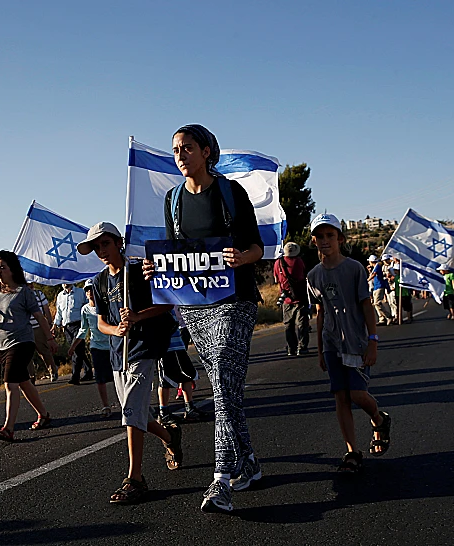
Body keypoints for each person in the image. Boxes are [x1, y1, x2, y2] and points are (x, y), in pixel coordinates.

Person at [143, 124, 264, 513]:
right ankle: (249, 464)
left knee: (224, 385)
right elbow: (175, 255)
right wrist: (154, 268)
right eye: (176, 149)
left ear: (207, 151)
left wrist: (242, 257)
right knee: (227, 388)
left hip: (235, 301)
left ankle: (221, 480)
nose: (181, 155)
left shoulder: (231, 192)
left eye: (188, 147)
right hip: (195, 308)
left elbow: (258, 247)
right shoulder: (173, 200)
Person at [77, 222, 183, 505]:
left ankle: (135, 478)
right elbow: (101, 322)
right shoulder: (99, 282)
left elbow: (167, 304)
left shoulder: (139, 270)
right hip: (118, 352)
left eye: (105, 244)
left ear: (118, 243)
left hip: (144, 348)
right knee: (137, 413)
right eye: (97, 247)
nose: (102, 251)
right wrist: (116, 330)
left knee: (131, 412)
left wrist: (137, 317)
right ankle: (169, 436)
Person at [306, 214, 391, 475]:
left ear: (340, 238)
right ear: (314, 241)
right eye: (320, 236)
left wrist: (373, 341)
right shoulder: (313, 275)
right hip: (331, 343)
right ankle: (352, 451)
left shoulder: (354, 269)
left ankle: (379, 418)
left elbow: (366, 305)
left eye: (330, 235)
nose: (325, 241)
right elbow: (320, 312)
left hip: (356, 342)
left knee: (357, 394)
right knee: (340, 397)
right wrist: (320, 350)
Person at [0, 250, 57, 442]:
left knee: (10, 383)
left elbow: (39, 317)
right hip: (1, 344)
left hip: (21, 342)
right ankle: (44, 415)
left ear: (12, 269)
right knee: (23, 382)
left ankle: (8, 428)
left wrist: (49, 339)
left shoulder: (24, 292)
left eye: (3, 268)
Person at [68, 279, 114, 418]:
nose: (90, 293)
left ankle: (126, 402)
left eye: (92, 289)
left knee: (118, 375)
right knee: (100, 377)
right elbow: (83, 329)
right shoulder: (85, 309)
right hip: (97, 346)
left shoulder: (107, 305)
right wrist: (73, 346)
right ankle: (106, 406)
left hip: (112, 345)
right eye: (87, 290)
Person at [273, 241, 310, 356]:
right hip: (300, 297)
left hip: (286, 298)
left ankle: (291, 348)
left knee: (288, 325)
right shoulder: (299, 261)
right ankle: (302, 347)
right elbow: (303, 276)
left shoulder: (278, 263)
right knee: (302, 324)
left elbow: (276, 280)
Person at [54, 282, 92, 384]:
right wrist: (55, 324)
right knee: (78, 351)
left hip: (79, 325)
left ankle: (75, 376)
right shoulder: (60, 296)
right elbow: (59, 312)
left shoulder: (80, 292)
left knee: (76, 350)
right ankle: (88, 370)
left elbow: (88, 305)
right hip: (67, 327)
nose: (65, 283)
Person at [28, 282, 58, 382]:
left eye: (31, 283)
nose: (30, 285)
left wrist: (49, 323)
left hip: (38, 327)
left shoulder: (38, 294)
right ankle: (31, 377)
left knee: (44, 351)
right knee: (27, 355)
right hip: (25, 329)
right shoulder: (19, 295)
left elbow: (46, 309)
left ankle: (52, 370)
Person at [367, 255, 392, 325]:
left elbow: (374, 274)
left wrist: (367, 280)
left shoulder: (377, 266)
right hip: (376, 286)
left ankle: (388, 316)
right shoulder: (375, 267)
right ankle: (382, 318)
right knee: (376, 304)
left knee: (377, 303)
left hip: (379, 286)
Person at [382, 255, 398, 322]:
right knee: (390, 302)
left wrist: (391, 276)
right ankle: (393, 314)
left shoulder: (392, 266)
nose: (385, 262)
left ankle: (397, 315)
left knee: (394, 301)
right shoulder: (383, 267)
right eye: (384, 260)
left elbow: (396, 275)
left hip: (392, 284)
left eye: (386, 260)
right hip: (387, 285)